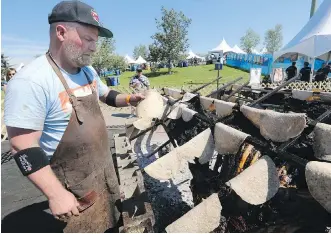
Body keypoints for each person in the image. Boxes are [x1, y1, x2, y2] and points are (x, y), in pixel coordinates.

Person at [4, 1, 145, 232]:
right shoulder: (32, 81)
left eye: (95, 41)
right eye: (88, 39)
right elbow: (22, 146)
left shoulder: (87, 71)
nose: (93, 48)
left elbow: (106, 94)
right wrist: (56, 193)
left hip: (103, 171)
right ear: (61, 32)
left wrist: (131, 99)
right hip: (73, 186)